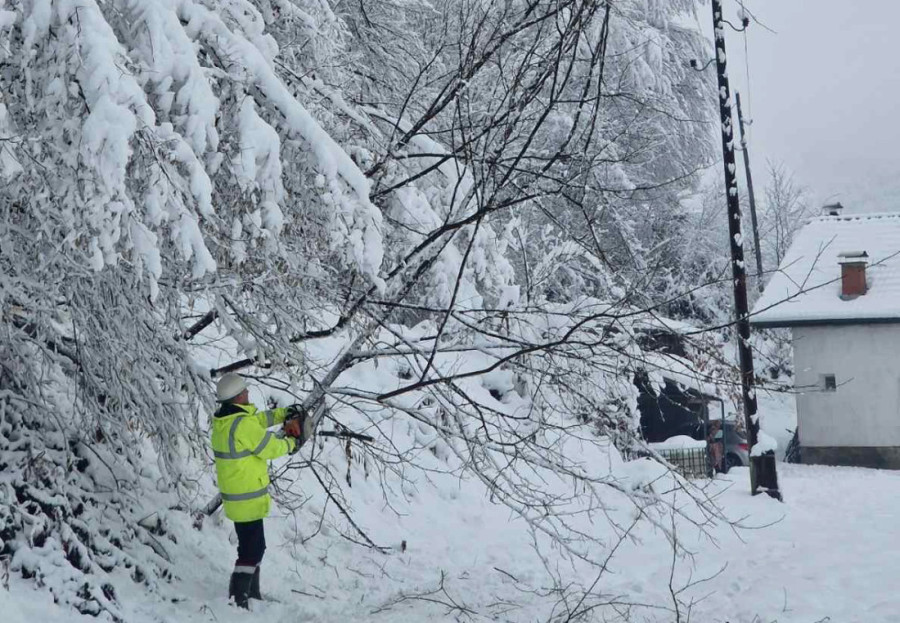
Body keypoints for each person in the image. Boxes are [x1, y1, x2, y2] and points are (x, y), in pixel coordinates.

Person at [210, 372, 307, 609]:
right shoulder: (241, 425)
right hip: (247, 499)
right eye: (245, 392)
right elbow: (269, 448)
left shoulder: (227, 421)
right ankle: (238, 596)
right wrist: (292, 443)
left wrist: (284, 414)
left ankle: (251, 594)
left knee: (252, 547)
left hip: (239, 498)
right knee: (253, 550)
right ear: (236, 397)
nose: (248, 393)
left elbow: (260, 420)